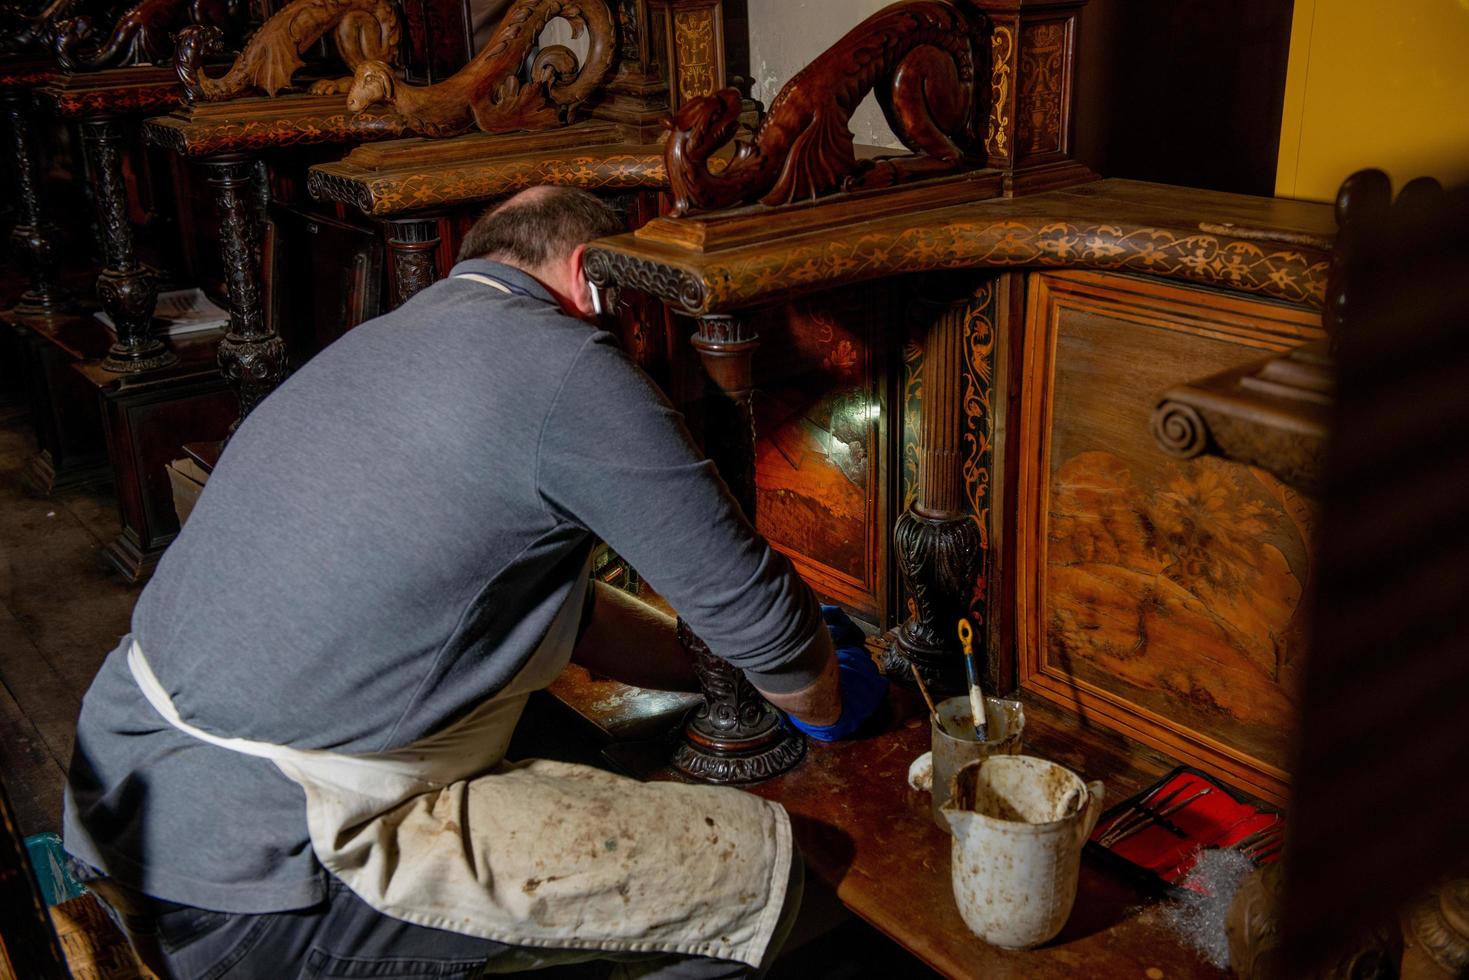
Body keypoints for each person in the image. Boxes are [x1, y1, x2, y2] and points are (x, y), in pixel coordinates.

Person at [64, 186, 888, 979]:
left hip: (130, 803)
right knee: (757, 884)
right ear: (592, 281)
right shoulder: (563, 362)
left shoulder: (386, 337)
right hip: (257, 883)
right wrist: (827, 698)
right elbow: (769, 633)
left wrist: (714, 663)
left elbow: (534, 609)